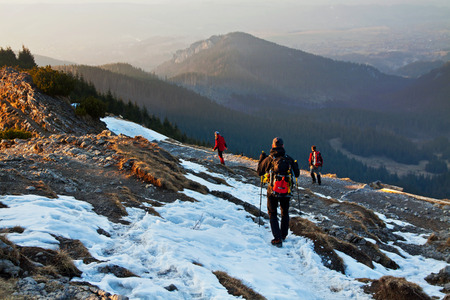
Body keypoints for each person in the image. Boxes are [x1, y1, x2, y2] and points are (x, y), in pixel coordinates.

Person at [257, 137, 300, 248]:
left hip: (272, 190)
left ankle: (277, 238)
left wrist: (261, 159)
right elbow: (297, 173)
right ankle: (283, 235)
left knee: (272, 213)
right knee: (284, 211)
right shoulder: (288, 159)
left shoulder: (269, 159)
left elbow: (259, 172)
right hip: (286, 190)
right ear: (283, 146)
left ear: (272, 146)